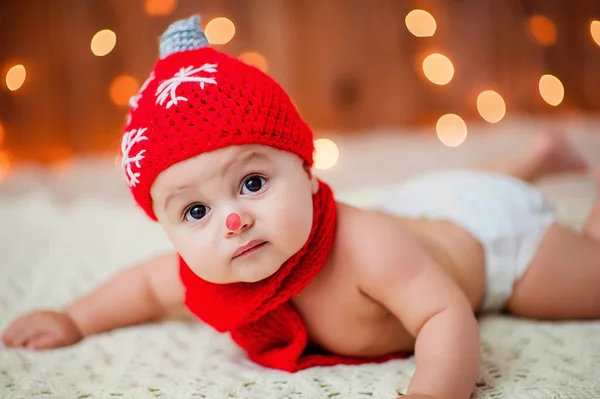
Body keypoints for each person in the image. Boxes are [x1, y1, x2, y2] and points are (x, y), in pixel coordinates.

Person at [2, 15, 597, 399]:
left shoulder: (366, 247)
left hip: (490, 244)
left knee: (583, 285)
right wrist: (74, 319)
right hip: (427, 203)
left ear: (308, 172)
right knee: (448, 189)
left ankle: (550, 193)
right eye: (195, 213)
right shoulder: (210, 275)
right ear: (165, 225)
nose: (232, 219)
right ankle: (534, 158)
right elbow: (142, 289)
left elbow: (444, 316)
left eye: (253, 183)